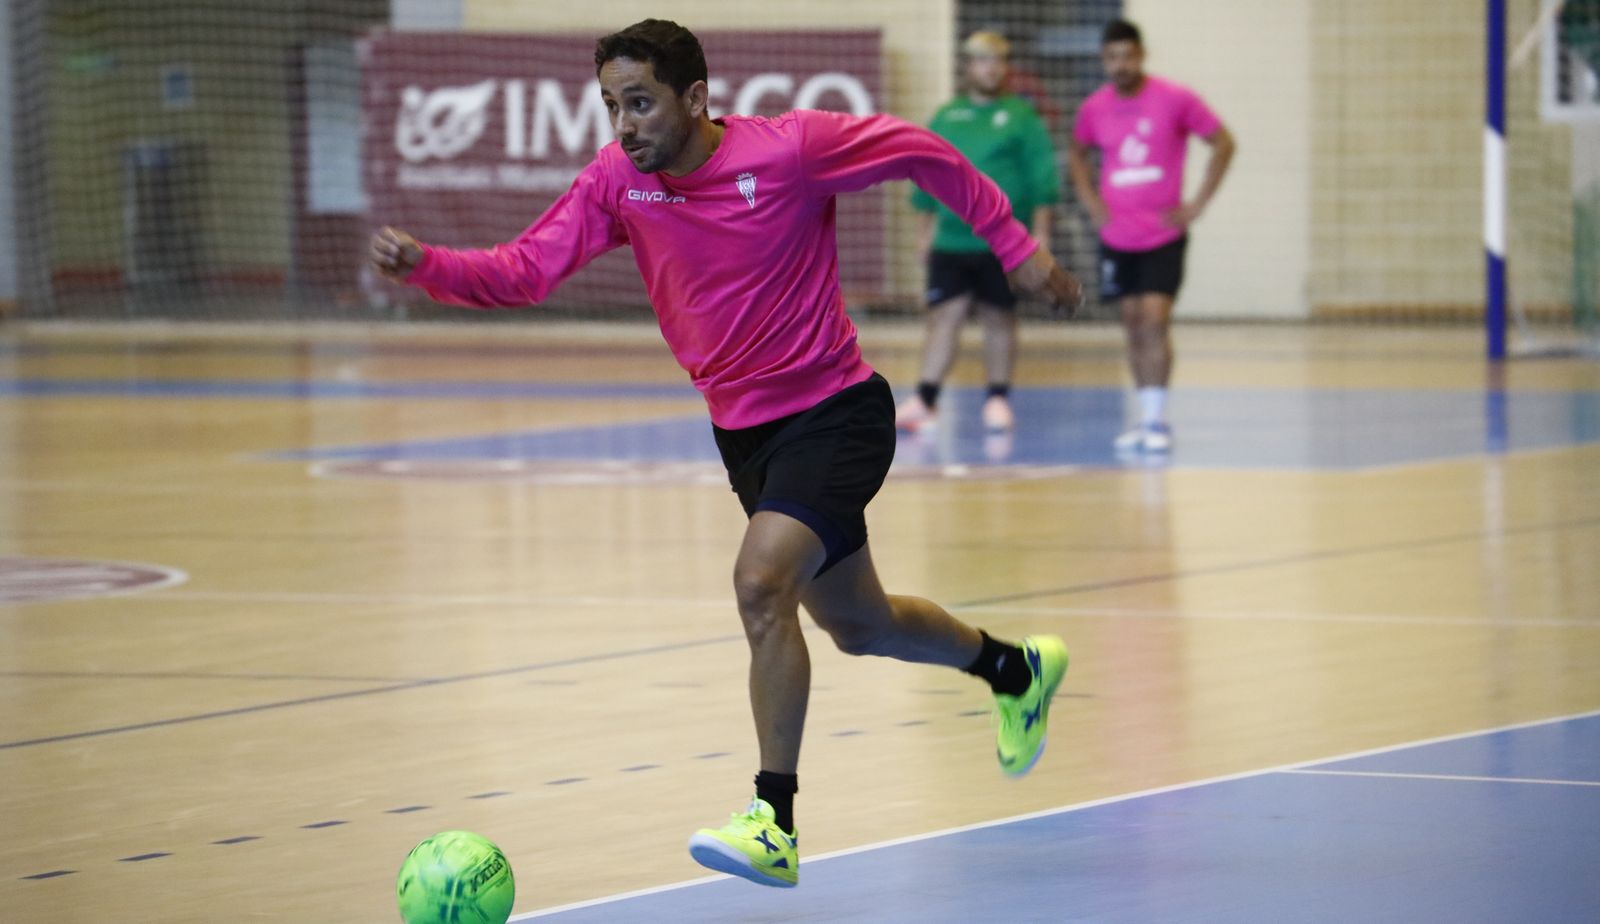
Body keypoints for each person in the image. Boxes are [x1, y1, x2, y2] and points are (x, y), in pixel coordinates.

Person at [369, 19, 1082, 890]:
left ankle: (772, 820)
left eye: (639, 103)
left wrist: (1016, 248)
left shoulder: (789, 152)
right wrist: (427, 266)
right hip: (746, 437)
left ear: (696, 98)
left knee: (760, 583)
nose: (623, 126)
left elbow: (922, 152)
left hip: (836, 412)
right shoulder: (617, 183)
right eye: (610, 107)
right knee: (860, 626)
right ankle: (1013, 668)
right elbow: (528, 269)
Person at [1068, 18, 1235, 454]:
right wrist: (1092, 204)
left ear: (1140, 55)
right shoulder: (1094, 107)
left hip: (1162, 234)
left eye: (1128, 55)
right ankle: (1143, 418)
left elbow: (1222, 143)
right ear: (1104, 61)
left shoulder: (1175, 98)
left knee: (1155, 319)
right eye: (1112, 58)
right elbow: (1077, 153)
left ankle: (1158, 421)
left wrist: (1197, 204)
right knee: (1132, 323)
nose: (1120, 65)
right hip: (1117, 237)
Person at [896, 31, 1060, 435]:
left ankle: (998, 397)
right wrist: (924, 232)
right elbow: (926, 173)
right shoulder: (947, 115)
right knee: (943, 316)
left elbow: (1042, 176)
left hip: (1002, 240)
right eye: (984, 60)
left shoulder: (1021, 117)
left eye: (1000, 60)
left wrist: (1040, 233)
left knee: (998, 316)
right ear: (968, 66)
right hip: (952, 240)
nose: (992, 68)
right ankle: (926, 399)